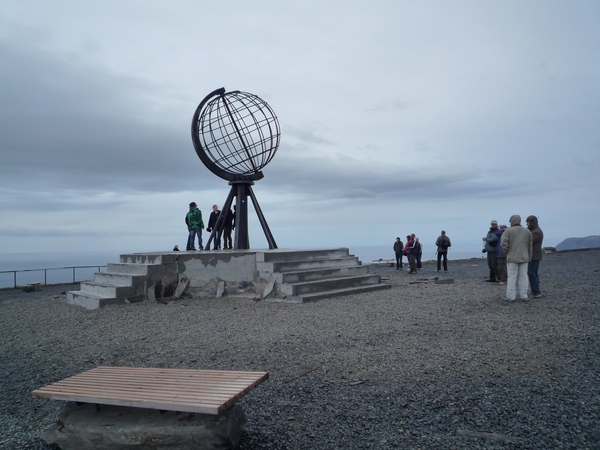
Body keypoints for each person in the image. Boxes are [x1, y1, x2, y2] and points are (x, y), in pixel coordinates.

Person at [501, 215, 532, 301]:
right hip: (524, 257)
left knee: (512, 277)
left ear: (511, 221)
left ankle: (511, 296)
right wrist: (529, 256)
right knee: (524, 276)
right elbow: (530, 245)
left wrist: (507, 251)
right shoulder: (527, 231)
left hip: (512, 257)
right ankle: (524, 295)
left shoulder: (508, 231)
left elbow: (504, 243)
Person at [526, 215, 544, 298]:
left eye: (528, 222)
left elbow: (529, 242)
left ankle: (536, 291)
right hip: (534, 255)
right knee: (533, 273)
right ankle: (535, 290)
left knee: (531, 273)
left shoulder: (536, 232)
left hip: (534, 255)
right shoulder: (534, 231)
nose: (527, 224)